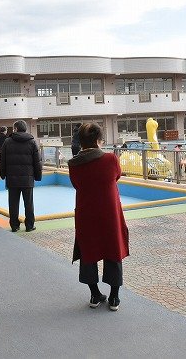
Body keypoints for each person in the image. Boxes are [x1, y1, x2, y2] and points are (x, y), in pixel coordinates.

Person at [68, 123, 129, 312]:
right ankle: (114, 297)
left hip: (86, 213)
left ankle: (95, 294)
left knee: (88, 251)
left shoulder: (74, 164)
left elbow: (76, 185)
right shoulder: (110, 159)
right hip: (109, 212)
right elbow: (116, 176)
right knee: (113, 250)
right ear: (98, 140)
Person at [0, 120, 42, 232]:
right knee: (29, 203)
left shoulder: (7, 142)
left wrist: (3, 175)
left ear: (16, 129)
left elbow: (2, 160)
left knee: (13, 203)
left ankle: (14, 225)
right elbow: (37, 161)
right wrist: (38, 176)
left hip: (12, 178)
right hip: (27, 178)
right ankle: (29, 225)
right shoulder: (32, 142)